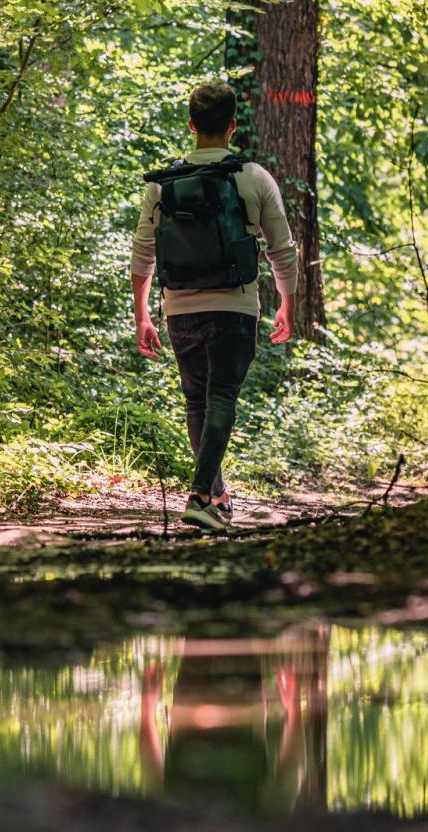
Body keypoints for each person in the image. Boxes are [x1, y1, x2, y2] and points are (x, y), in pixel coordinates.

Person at [131, 80, 298, 531]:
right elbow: (282, 250)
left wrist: (142, 314)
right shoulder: (253, 177)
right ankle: (201, 495)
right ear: (232, 126)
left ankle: (216, 495)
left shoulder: (163, 183)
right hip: (235, 306)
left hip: (179, 306)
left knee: (196, 402)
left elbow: (143, 253)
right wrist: (287, 302)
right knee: (221, 396)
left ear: (191, 125)